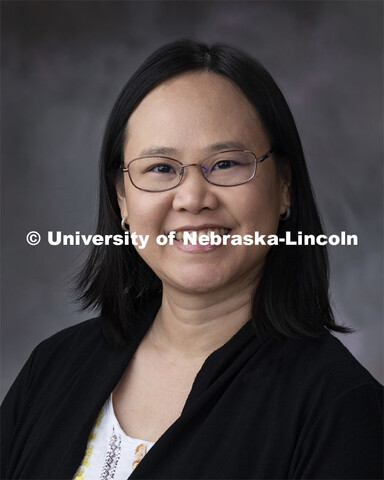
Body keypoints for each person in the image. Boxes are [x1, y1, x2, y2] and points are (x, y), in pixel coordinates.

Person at [1, 39, 382, 480]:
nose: (193, 198)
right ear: (121, 198)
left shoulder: (340, 408)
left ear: (284, 187)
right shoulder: (52, 368)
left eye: (225, 164)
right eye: (161, 168)